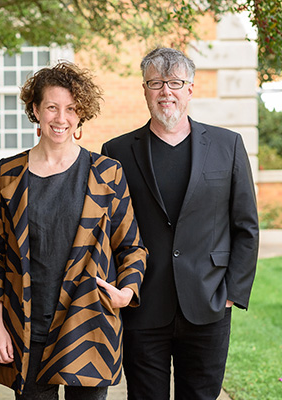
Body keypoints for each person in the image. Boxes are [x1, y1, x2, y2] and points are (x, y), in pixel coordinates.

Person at [0, 61, 148, 399]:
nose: (61, 118)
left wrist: (126, 293)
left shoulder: (106, 173)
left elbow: (132, 246)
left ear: (81, 114)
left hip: (89, 322)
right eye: (52, 107)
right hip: (26, 327)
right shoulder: (8, 173)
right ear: (35, 110)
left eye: (71, 109)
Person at [101, 47, 259, 400]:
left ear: (190, 89)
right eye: (156, 83)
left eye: (175, 82)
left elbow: (246, 225)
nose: (165, 92)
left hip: (208, 303)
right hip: (142, 303)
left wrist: (232, 294)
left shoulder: (227, 145)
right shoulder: (116, 151)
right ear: (144, 90)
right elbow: (109, 231)